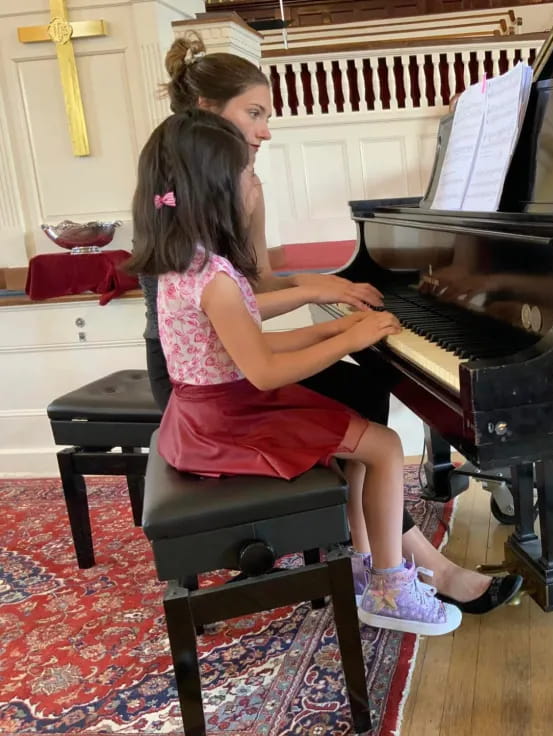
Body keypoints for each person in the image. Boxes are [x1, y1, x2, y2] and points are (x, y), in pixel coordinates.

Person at [138, 33, 521, 614]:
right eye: (255, 112)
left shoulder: (197, 208)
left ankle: (370, 554)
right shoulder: (198, 222)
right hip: (205, 388)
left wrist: (326, 302)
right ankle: (397, 569)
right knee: (369, 425)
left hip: (224, 375)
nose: (265, 130)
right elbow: (244, 320)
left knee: (362, 388)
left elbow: (250, 290)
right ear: (207, 120)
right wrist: (331, 314)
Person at [127, 109, 464, 635]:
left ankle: (364, 562)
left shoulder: (186, 263)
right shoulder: (214, 277)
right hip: (235, 415)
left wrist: (332, 332)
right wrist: (348, 337)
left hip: (208, 409)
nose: (255, 183)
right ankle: (391, 588)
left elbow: (244, 344)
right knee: (386, 445)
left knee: (359, 430)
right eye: (247, 174)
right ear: (217, 189)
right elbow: (261, 370)